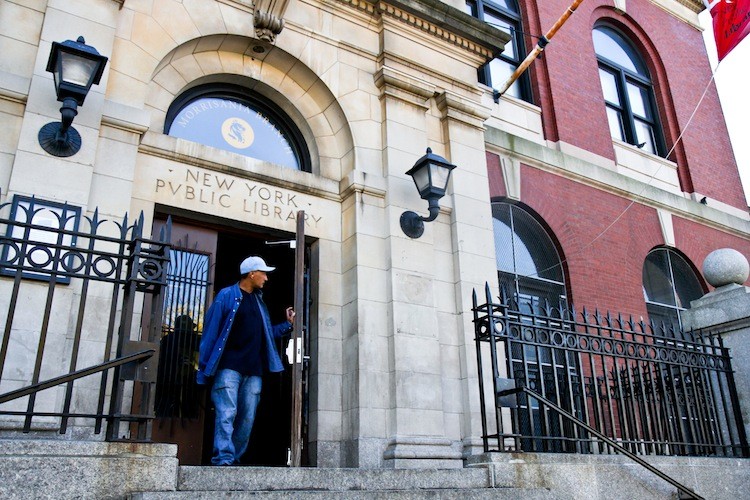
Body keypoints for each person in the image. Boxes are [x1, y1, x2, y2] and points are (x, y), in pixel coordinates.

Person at [197, 255, 294, 466]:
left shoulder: (260, 302)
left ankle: (234, 458)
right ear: (251, 273)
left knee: (247, 418)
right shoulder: (226, 296)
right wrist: (204, 370)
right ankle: (223, 459)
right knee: (226, 414)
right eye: (263, 273)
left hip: (254, 371)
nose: (266, 278)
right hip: (228, 368)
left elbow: (267, 334)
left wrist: (287, 325)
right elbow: (210, 334)